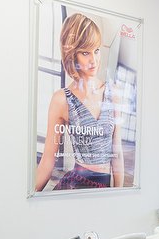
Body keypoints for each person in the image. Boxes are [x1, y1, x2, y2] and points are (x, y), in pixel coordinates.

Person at [34, 12, 125, 191]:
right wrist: (28, 197)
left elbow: (118, 152)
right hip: (75, 186)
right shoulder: (62, 99)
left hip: (103, 186)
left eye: (96, 50)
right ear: (72, 55)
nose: (94, 60)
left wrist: (120, 195)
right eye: (85, 53)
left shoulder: (113, 93)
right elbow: (48, 160)